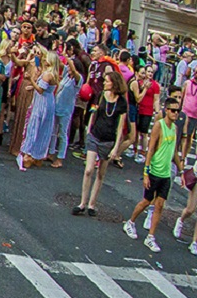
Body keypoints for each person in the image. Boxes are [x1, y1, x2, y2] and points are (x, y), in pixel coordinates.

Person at [124, 98, 182, 253]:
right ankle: (130, 221)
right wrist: (146, 172)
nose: (176, 113)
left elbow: (174, 151)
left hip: (166, 173)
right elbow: (150, 149)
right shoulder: (159, 125)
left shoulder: (174, 129)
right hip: (155, 171)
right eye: (173, 110)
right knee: (146, 201)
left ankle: (151, 236)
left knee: (160, 205)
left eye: (178, 110)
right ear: (167, 110)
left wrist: (181, 170)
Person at [76, 64, 128, 217]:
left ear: (114, 83)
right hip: (95, 134)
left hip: (108, 140)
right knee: (88, 169)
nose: (104, 83)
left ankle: (92, 203)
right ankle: (82, 202)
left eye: (107, 81)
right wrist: (88, 129)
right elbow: (94, 112)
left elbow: (120, 127)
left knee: (101, 173)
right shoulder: (100, 95)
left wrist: (116, 148)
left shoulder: (121, 103)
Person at [16, 49, 57, 171]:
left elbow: (40, 89)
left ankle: (28, 153)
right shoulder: (51, 73)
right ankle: (38, 155)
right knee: (43, 129)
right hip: (48, 101)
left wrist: (31, 80)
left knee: (35, 126)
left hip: (42, 103)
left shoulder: (48, 74)